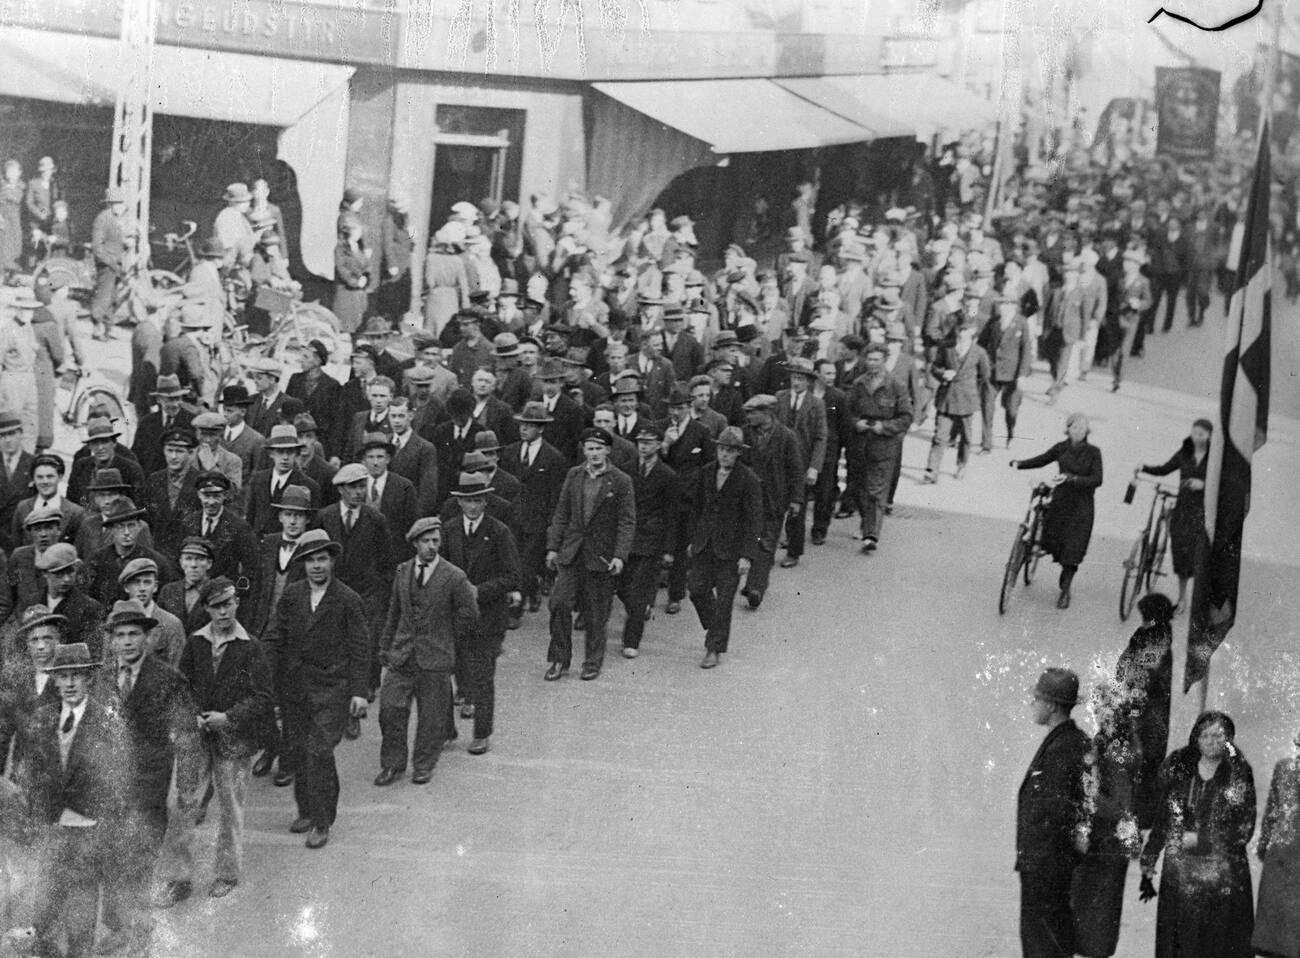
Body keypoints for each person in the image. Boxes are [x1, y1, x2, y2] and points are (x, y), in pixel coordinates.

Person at [95, 599, 197, 953]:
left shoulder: (170, 681)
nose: (126, 642)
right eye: (120, 635)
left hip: (150, 788)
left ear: (147, 637)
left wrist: (185, 790)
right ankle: (117, 927)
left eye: (134, 634)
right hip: (108, 786)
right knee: (110, 860)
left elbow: (186, 737)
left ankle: (140, 936)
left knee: (138, 862)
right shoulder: (102, 678)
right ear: (112, 640)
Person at [263, 529, 370, 849]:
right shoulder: (293, 595)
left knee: (319, 752)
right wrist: (263, 673)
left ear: (332, 561)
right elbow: (275, 637)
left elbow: (361, 648)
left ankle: (322, 821)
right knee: (296, 749)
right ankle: (306, 811)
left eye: (322, 559)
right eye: (310, 560)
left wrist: (359, 691)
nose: (317, 566)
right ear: (303, 564)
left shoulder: (348, 600)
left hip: (332, 689)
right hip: (295, 687)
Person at [25, 641, 129, 958]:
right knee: (45, 903)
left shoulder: (107, 721)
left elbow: (118, 781)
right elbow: (32, 770)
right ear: (54, 680)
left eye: (77, 676)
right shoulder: (43, 718)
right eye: (63, 676)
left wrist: (105, 827)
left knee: (82, 907)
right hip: (53, 826)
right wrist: (37, 812)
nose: (70, 684)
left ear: (89, 679)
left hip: (90, 828)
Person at [172, 577, 273, 900]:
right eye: (216, 606)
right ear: (206, 609)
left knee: (230, 808)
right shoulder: (195, 643)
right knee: (184, 805)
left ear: (237, 603)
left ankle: (227, 874)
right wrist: (192, 718)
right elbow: (181, 687)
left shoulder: (250, 646)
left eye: (228, 603)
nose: (224, 611)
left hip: (235, 740)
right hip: (198, 738)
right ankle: (179, 878)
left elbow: (262, 697)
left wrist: (227, 718)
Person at [1140, 711, 1256, 958]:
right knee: (1180, 941)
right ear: (1196, 738)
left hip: (1222, 875)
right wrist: (1150, 856)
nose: (1211, 741)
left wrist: (1202, 840)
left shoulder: (1238, 773)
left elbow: (1244, 828)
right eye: (1205, 735)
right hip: (1180, 872)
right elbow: (1164, 817)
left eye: (1218, 735)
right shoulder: (1182, 771)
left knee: (1215, 943)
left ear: (1229, 739)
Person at [375, 516, 479, 786]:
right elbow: (394, 612)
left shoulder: (454, 576)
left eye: (436, 541)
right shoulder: (402, 571)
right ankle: (392, 764)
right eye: (426, 541)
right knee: (390, 710)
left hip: (435, 659)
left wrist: (446, 637)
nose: (432, 546)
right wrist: (386, 646)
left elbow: (469, 614)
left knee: (431, 717)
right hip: (402, 654)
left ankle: (423, 764)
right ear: (414, 544)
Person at [543, 427, 635, 682]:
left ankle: (592, 662)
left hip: (601, 556)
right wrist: (553, 547)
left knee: (596, 612)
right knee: (559, 604)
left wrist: (620, 555)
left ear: (607, 450)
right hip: (572, 553)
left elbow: (627, 522)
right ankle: (559, 659)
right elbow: (561, 513)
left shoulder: (620, 480)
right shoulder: (574, 475)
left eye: (598, 448)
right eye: (589, 448)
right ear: (583, 450)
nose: (594, 454)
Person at [440, 473, 520, 754]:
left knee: (483, 677)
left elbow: (511, 576)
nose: (473, 507)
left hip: (488, 616)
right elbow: (441, 568)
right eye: (467, 501)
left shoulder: (499, 532)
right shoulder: (448, 530)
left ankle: (481, 733)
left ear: (485, 501)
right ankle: (445, 730)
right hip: (456, 615)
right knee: (444, 673)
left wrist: (480, 591)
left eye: (478, 500)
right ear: (459, 502)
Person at [1016, 667, 1090, 958]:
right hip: (1048, 867)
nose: (1032, 704)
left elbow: (1058, 812)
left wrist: (1040, 865)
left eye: (1036, 698)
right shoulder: (1067, 741)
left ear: (1051, 705)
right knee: (1048, 943)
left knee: (1043, 947)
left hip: (1046, 869)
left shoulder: (1063, 748)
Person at [1070, 684, 1142, 958]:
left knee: (1098, 914)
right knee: (1092, 912)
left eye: (1107, 708)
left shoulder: (1120, 750)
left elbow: (1121, 805)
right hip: (1103, 839)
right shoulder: (1106, 742)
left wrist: (1087, 797)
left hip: (1108, 841)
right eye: (1098, 708)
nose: (1101, 713)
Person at [686, 427, 761, 669]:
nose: (724, 455)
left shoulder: (748, 479)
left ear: (739, 453)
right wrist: (692, 539)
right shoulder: (706, 473)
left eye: (730, 451)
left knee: (724, 601)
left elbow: (753, 521)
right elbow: (696, 509)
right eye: (721, 449)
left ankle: (714, 648)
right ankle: (715, 626)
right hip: (704, 545)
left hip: (731, 551)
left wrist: (747, 556)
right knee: (696, 589)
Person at [1012, 413, 1104, 609]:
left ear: (1087, 431)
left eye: (1082, 428)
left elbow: (1097, 479)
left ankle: (1065, 590)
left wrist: (1072, 478)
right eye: (1075, 427)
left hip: (1082, 506)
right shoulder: (1061, 448)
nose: (1078, 431)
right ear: (1068, 429)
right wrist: (1020, 464)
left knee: (1073, 550)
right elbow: (1043, 459)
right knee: (1054, 540)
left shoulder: (1094, 452)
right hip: (1061, 502)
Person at [500, 401, 567, 618]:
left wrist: (551, 525)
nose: (523, 429)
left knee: (526, 564)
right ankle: (531, 590)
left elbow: (555, 496)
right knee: (511, 561)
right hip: (512, 518)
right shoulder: (510, 452)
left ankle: (515, 610)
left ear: (541, 428)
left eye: (529, 425)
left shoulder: (553, 457)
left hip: (537, 522)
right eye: (522, 424)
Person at [1114, 592, 1175, 830]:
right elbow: (1127, 659)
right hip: (1144, 710)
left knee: (1144, 763)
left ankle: (1138, 820)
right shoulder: (1148, 633)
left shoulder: (1157, 640)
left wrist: (1127, 700)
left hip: (1149, 714)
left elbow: (1144, 675)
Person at [1136, 419, 1211, 612]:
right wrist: (1144, 467)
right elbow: (1164, 468)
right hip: (1183, 509)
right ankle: (1182, 598)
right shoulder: (1184, 452)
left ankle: (1202, 599)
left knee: (1201, 556)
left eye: (1201, 434)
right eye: (1194, 433)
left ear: (1210, 436)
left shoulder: (1216, 457)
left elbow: (1225, 484)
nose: (1197, 437)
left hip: (1204, 512)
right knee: (1181, 554)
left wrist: (1203, 484)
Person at [846, 344, 913, 553]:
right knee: (858, 488)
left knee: (876, 490)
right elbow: (848, 411)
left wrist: (884, 427)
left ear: (884, 360)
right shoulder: (859, 384)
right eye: (869, 360)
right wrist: (856, 423)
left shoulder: (896, 385)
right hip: (860, 443)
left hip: (884, 445)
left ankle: (870, 535)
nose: (872, 364)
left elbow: (906, 417)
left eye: (876, 360)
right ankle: (867, 522)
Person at [738, 394, 802, 609]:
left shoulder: (786, 436)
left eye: (752, 412)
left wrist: (796, 499)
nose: (748, 416)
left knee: (766, 543)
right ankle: (752, 581)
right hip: (748, 498)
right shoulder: (745, 434)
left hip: (774, 499)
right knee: (749, 539)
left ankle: (756, 587)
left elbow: (795, 470)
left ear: (767, 413)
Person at [773, 358, 827, 569]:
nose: (796, 382)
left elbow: (821, 437)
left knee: (798, 507)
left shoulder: (816, 404)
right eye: (794, 377)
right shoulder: (780, 398)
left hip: (802, 463)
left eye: (801, 379)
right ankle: (768, 548)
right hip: (778, 461)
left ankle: (793, 552)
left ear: (809, 381)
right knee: (775, 505)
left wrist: (814, 467)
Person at [923, 319, 989, 483]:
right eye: (960, 330)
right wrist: (943, 374)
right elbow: (934, 367)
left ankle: (962, 464)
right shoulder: (947, 348)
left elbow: (985, 376)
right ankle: (932, 470)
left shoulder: (979, 352)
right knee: (939, 437)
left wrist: (972, 390)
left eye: (966, 330)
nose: (962, 333)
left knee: (966, 437)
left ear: (973, 331)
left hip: (967, 400)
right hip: (947, 398)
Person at [1253, 732, 1300, 958]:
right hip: (1280, 858)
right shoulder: (1284, 769)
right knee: (1275, 932)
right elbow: (1272, 809)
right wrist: (1264, 844)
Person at [978, 292, 1033, 449]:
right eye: (1001, 304)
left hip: (1012, 375)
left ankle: (1010, 432)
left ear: (1013, 306)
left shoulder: (1021, 323)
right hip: (992, 373)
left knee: (1011, 410)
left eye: (1006, 304)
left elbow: (1026, 350)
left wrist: (1022, 374)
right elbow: (982, 345)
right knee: (987, 407)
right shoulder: (993, 322)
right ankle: (986, 444)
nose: (1003, 307)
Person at [90, 187, 127, 341]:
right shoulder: (103, 219)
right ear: (110, 204)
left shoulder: (115, 219)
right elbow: (97, 247)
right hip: (107, 264)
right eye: (117, 203)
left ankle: (108, 328)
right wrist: (110, 262)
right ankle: (97, 328)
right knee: (103, 296)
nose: (120, 206)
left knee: (112, 297)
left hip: (115, 264)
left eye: (120, 203)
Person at [333, 216, 376, 335]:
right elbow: (341, 269)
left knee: (358, 324)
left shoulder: (358, 246)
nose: (360, 234)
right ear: (349, 231)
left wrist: (365, 276)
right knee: (345, 324)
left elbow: (367, 264)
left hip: (358, 293)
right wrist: (355, 282)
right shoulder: (340, 248)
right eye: (357, 231)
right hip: (346, 292)